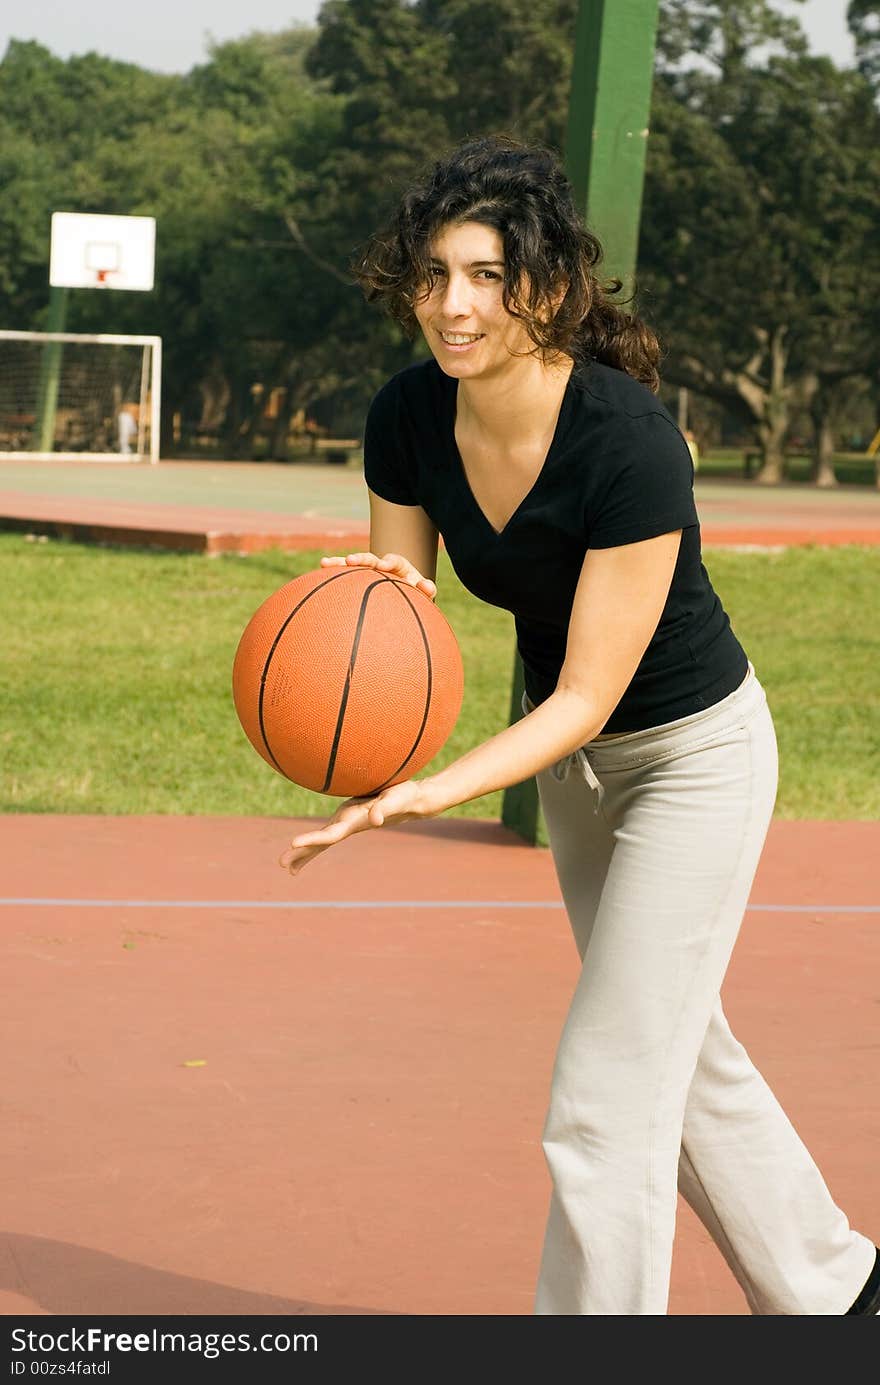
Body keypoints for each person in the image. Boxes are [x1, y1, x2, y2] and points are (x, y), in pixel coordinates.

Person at [278, 134, 878, 1315]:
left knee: (606, 1092)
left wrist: (430, 792)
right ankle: (836, 1287)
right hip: (578, 772)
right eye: (436, 272)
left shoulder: (628, 441)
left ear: (548, 290)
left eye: (487, 278)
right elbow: (404, 615)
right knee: (673, 1052)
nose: (453, 305)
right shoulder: (406, 417)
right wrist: (358, 653)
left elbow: (589, 695)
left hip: (690, 759)